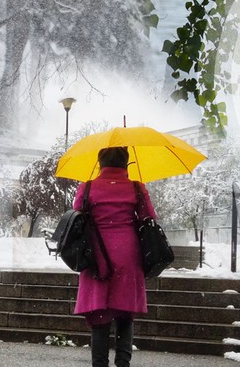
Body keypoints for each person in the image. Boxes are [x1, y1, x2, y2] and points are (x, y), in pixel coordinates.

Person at [72, 146, 158, 367]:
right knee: (124, 315)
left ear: (100, 163)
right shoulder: (136, 188)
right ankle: (123, 363)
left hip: (96, 256)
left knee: (100, 314)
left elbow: (77, 212)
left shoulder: (87, 187)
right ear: (126, 163)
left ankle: (99, 364)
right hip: (128, 254)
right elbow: (149, 216)